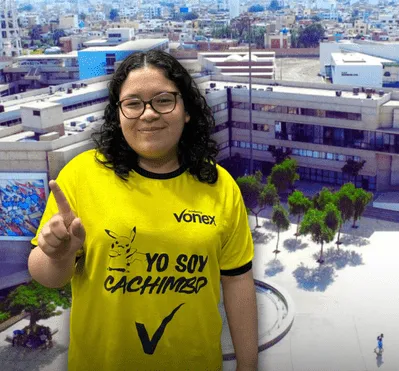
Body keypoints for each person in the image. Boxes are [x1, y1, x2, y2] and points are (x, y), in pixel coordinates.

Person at [27, 50, 258, 371]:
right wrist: (59, 254)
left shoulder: (220, 186)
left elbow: (237, 282)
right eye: (133, 103)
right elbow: (47, 275)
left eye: (163, 100)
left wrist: (249, 366)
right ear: (118, 113)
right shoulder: (81, 176)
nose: (148, 114)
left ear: (187, 110)